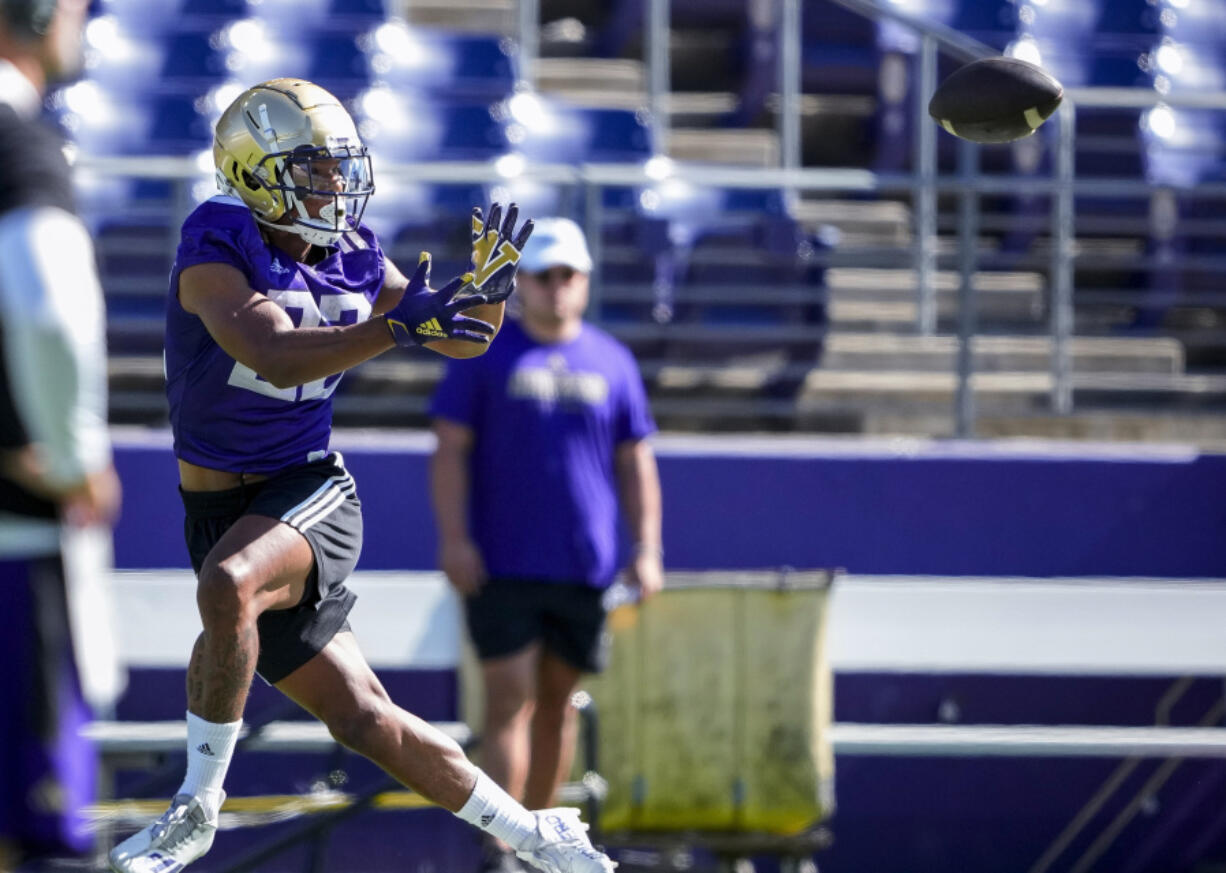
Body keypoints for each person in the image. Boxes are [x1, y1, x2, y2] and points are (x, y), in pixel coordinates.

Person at [108, 78, 615, 873]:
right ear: (252, 171)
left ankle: (195, 807)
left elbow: (460, 338)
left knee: (230, 582)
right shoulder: (216, 242)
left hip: (309, 492)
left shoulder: (355, 253)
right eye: (313, 168)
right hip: (219, 506)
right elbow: (270, 351)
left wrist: (480, 299)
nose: (335, 185)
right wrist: (395, 326)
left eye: (340, 167)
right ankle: (533, 833)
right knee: (362, 716)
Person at [429, 217, 664, 873]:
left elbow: (635, 460)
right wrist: (454, 538)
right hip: (501, 563)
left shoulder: (614, 361)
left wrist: (647, 547)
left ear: (584, 281)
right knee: (507, 699)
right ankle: (500, 846)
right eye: (541, 276)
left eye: (567, 275)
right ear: (521, 283)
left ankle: (539, 847)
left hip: (582, 567)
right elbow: (449, 451)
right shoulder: (485, 354)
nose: (555, 288)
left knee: (558, 706)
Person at [0, 0, 124, 871]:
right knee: (42, 831)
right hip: (15, 544)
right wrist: (77, 459)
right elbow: (47, 306)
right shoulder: (18, 145)